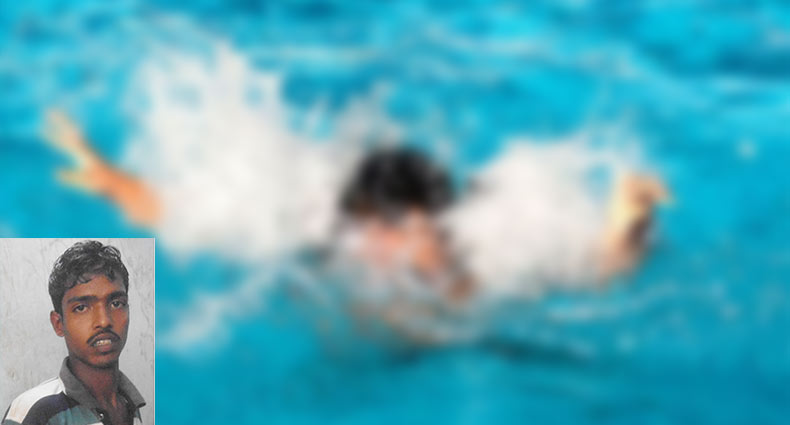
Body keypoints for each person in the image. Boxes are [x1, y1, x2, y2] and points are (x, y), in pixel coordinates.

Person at [43, 111, 668, 296]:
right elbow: (187, 216)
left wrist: (629, 223)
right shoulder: (326, 241)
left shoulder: (479, 258)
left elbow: (600, 270)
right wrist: (111, 179)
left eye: (417, 232)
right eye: (390, 233)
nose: (404, 248)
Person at [2, 241, 146, 425]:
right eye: (81, 308)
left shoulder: (128, 402)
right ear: (58, 324)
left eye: (116, 303)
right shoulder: (34, 412)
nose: (104, 321)